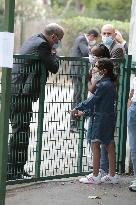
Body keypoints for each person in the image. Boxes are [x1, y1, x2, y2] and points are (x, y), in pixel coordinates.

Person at [8, 23, 64, 180]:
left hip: (18, 91)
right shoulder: (42, 45)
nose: (57, 43)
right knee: (20, 133)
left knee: (21, 132)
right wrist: (55, 54)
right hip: (20, 94)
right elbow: (53, 67)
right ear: (53, 37)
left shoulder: (33, 39)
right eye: (58, 40)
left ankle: (17, 169)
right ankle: (12, 172)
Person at [70, 58, 118, 184]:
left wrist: (77, 107)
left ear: (104, 71)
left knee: (95, 144)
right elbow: (101, 104)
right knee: (109, 144)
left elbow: (92, 101)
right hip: (108, 117)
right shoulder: (110, 84)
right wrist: (84, 112)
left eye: (96, 66)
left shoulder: (102, 85)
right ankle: (112, 175)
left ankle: (95, 176)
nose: (93, 68)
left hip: (101, 119)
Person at [87, 44, 111, 176]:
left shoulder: (100, 71)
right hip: (100, 109)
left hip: (98, 110)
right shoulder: (103, 69)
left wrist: (87, 79)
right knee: (104, 141)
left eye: (94, 55)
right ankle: (102, 170)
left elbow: (92, 89)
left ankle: (100, 171)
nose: (91, 57)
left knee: (95, 140)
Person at [70, 29, 99, 132]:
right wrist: (92, 49)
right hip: (79, 73)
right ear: (91, 35)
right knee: (78, 97)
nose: (94, 40)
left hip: (79, 73)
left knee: (80, 97)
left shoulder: (81, 39)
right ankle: (74, 125)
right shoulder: (82, 39)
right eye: (94, 38)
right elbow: (86, 52)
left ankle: (78, 125)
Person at [127, 77, 136, 191]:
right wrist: (129, 108)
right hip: (134, 107)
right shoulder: (135, 78)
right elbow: (131, 93)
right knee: (134, 147)